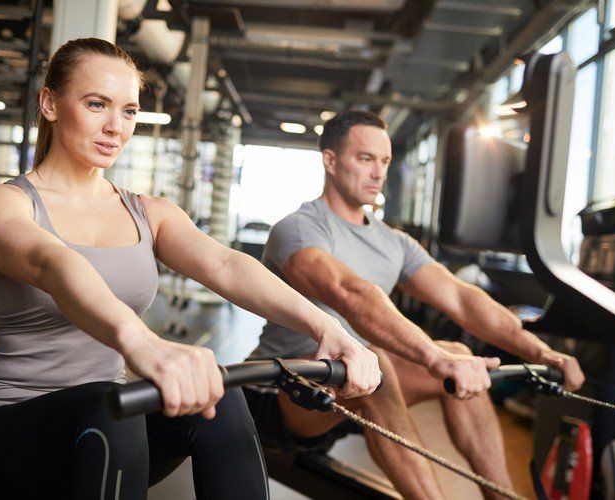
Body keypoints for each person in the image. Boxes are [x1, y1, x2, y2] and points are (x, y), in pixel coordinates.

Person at [0, 38, 381, 500]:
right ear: (50, 103)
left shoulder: (148, 212)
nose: (115, 127)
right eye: (96, 104)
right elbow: (55, 264)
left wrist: (330, 330)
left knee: (220, 395)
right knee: (110, 407)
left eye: (128, 111)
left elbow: (226, 264)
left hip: (108, 429)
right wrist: (144, 345)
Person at [247, 110, 585, 499]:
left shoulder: (394, 242)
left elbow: (461, 297)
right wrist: (429, 356)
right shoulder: (300, 227)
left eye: (385, 161)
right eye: (365, 159)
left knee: (457, 354)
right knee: (377, 361)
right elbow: (351, 294)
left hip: (358, 387)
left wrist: (543, 353)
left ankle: (503, 497)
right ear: (330, 160)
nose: (378, 172)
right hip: (280, 392)